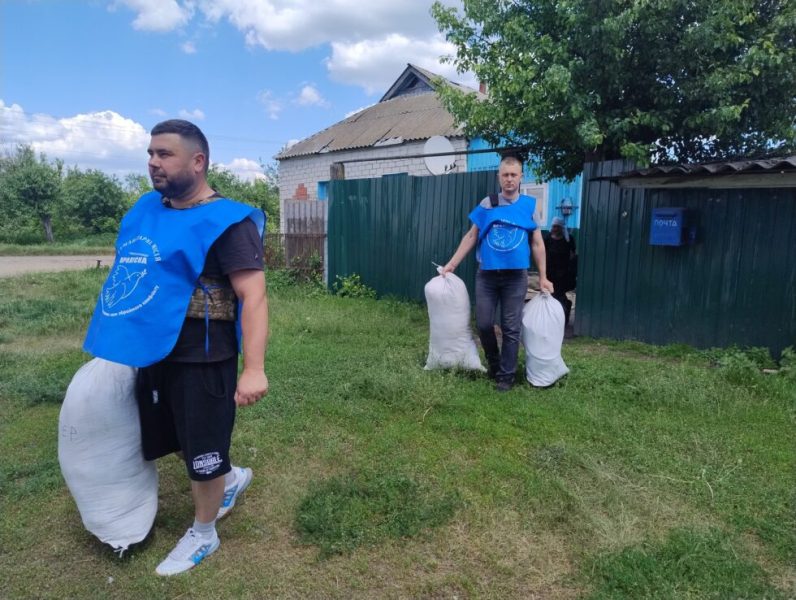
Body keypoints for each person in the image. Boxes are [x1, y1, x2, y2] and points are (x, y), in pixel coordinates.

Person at [83, 119, 269, 576]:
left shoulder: (229, 221)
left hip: (203, 355)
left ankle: (204, 533)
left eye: (164, 154)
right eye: (150, 153)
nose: (152, 162)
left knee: (203, 446)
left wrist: (254, 368)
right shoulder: (148, 209)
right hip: (152, 348)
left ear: (198, 161)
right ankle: (230, 479)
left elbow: (254, 296)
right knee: (176, 434)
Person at [442, 155, 553, 391]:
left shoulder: (529, 206)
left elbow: (537, 243)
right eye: (505, 175)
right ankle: (494, 365)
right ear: (499, 177)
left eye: (514, 175)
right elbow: (471, 236)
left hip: (515, 277)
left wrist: (543, 277)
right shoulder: (488, 203)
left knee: (511, 327)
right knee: (483, 324)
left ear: (521, 177)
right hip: (487, 276)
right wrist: (452, 263)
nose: (509, 179)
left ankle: (506, 376)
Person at [544, 216, 577, 326]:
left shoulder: (569, 239)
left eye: (557, 227)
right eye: (553, 226)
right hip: (549, 272)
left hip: (563, 273)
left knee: (558, 294)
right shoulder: (548, 238)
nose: (555, 229)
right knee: (551, 295)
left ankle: (564, 313)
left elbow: (572, 255)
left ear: (561, 227)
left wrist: (570, 271)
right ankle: (553, 317)